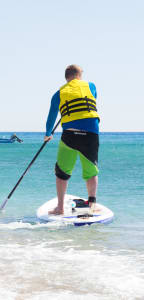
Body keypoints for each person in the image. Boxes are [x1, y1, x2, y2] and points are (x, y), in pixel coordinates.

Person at [44, 65, 100, 215]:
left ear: (66, 77)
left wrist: (48, 133)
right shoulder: (91, 86)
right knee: (91, 171)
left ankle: (60, 208)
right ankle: (92, 205)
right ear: (79, 75)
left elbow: (51, 117)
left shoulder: (59, 93)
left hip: (69, 135)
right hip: (90, 134)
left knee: (62, 171)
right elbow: (91, 101)